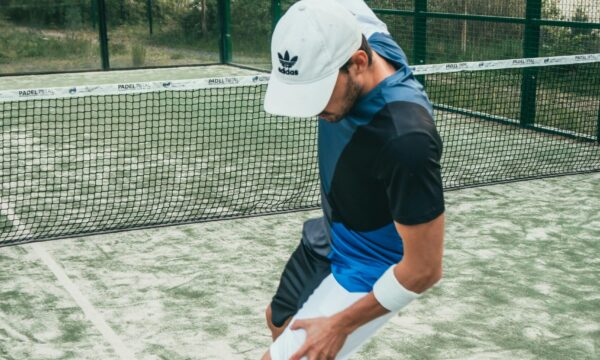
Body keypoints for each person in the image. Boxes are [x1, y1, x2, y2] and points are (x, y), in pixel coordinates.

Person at [262, 0, 445, 359]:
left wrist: (340, 325)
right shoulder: (355, 31)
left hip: (368, 269)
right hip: (331, 233)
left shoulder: (406, 141)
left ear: (359, 63)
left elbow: (424, 269)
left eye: (320, 92)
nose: (313, 110)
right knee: (277, 319)